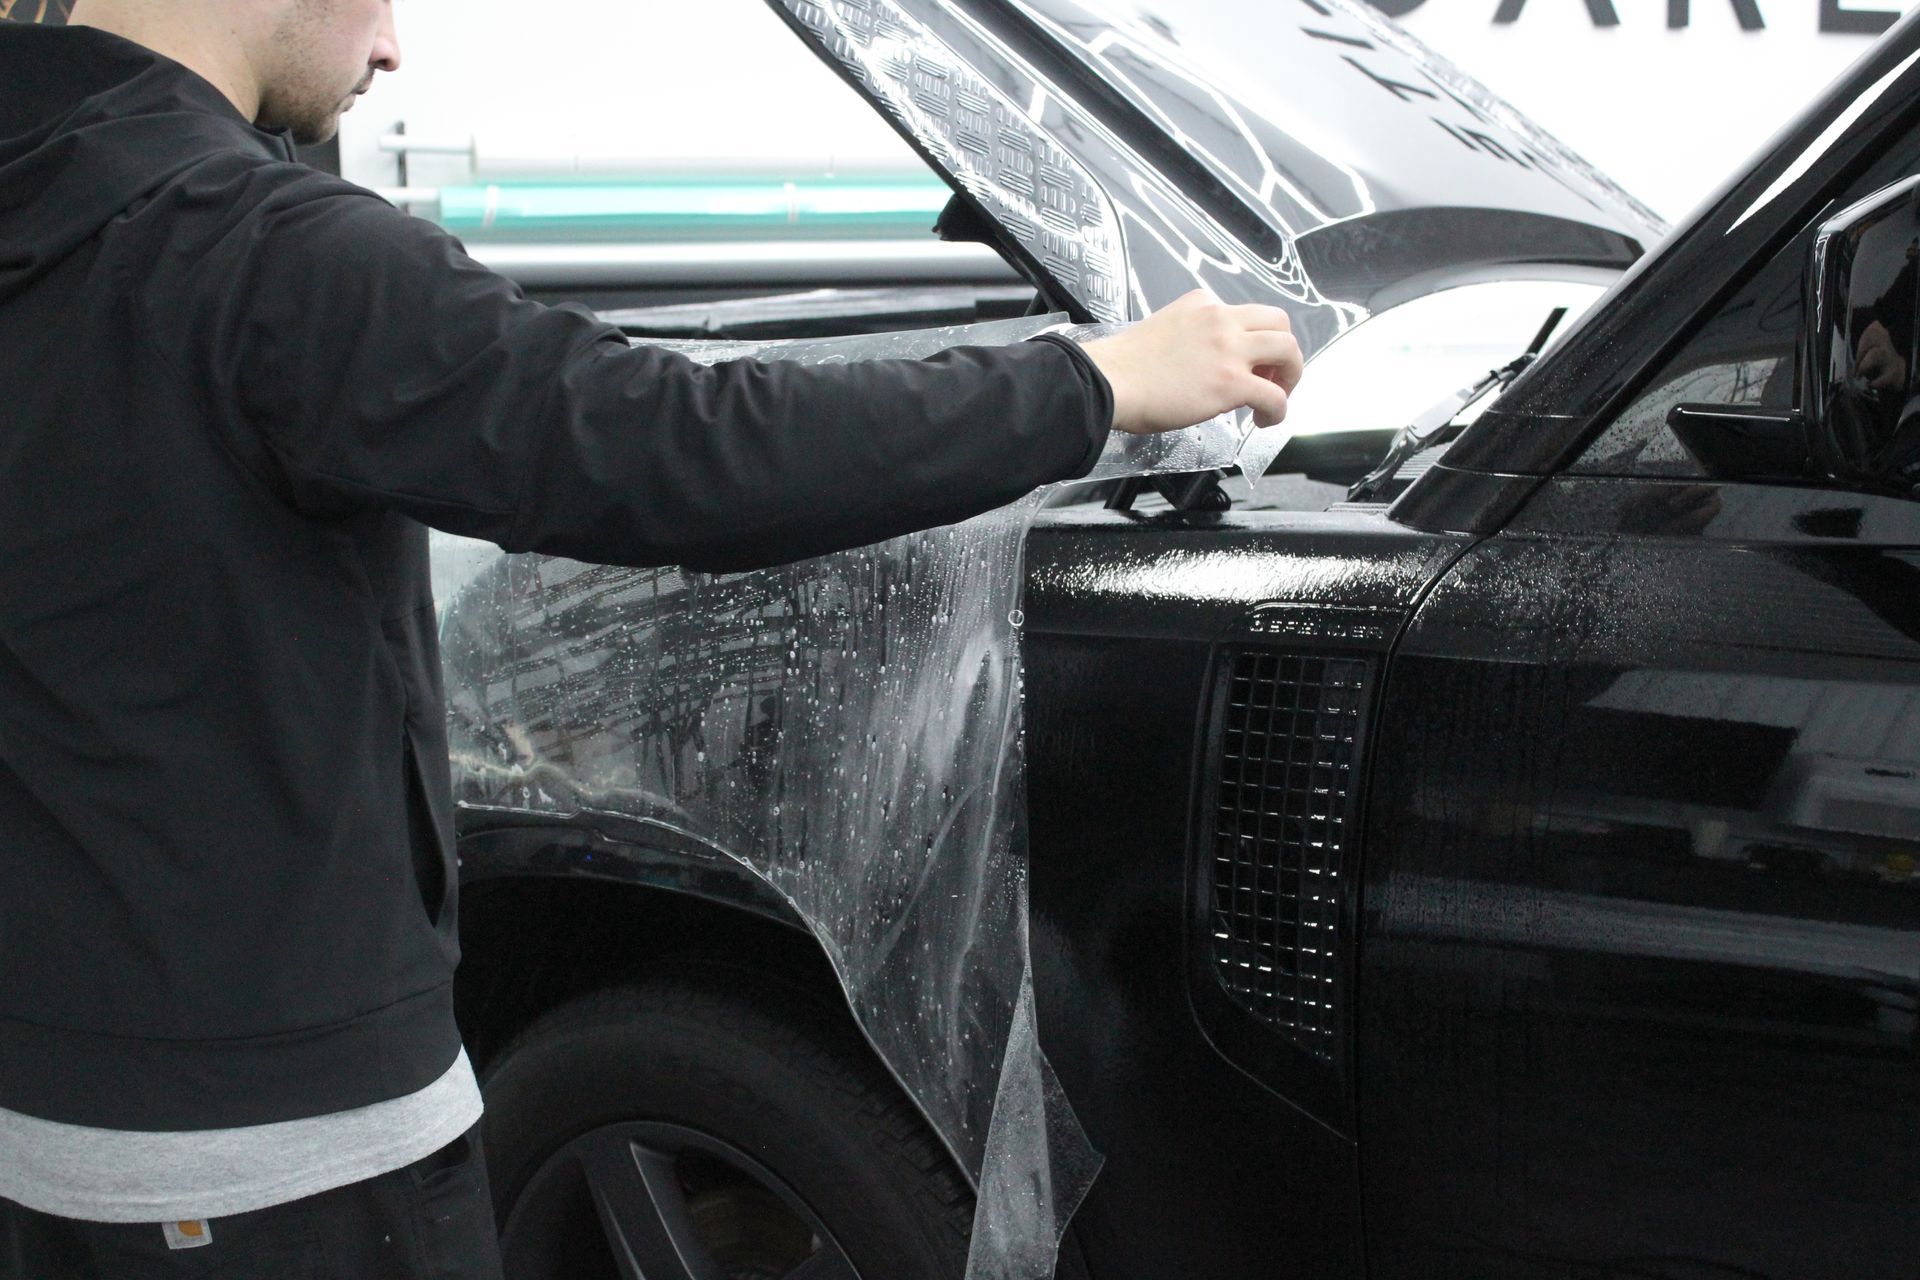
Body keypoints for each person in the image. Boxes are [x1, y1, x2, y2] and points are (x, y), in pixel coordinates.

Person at [0, 1, 1303, 1276]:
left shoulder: (52, 207)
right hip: (275, 1150)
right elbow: (674, 448)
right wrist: (1093, 384)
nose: (392, 44)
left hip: (51, 1101)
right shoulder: (263, 254)